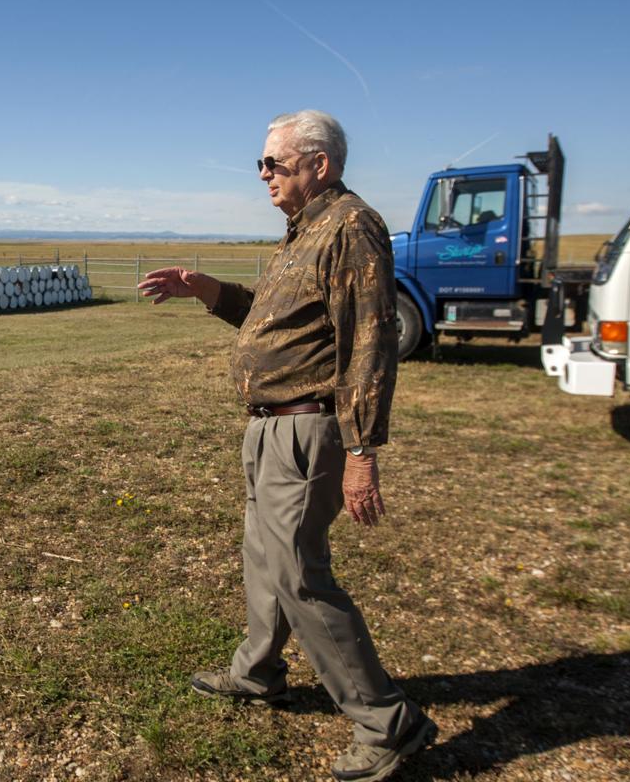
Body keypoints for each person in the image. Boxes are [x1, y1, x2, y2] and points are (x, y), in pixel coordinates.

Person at [137, 110, 435, 782]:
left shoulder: (351, 226)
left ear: (320, 164)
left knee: (299, 571)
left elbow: (370, 342)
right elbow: (272, 319)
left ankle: (389, 724)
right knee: (264, 555)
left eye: (275, 162)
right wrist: (201, 288)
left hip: (308, 428)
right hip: (268, 426)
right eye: (262, 163)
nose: (263, 173)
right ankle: (259, 671)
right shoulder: (304, 231)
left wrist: (362, 452)